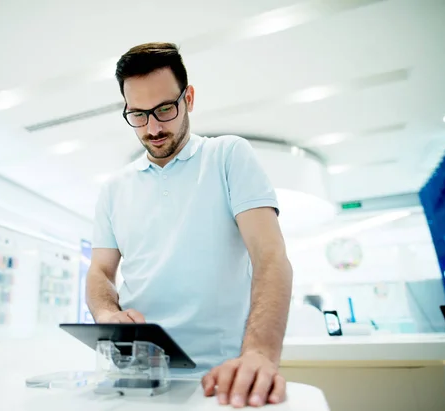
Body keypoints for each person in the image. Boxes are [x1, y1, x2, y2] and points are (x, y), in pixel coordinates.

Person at [85, 42, 293, 408]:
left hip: (220, 376)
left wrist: (260, 353)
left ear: (189, 98)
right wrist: (106, 314)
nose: (152, 127)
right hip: (136, 377)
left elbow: (270, 257)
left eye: (164, 109)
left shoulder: (228, 156)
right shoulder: (114, 188)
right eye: (138, 114)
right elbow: (100, 271)